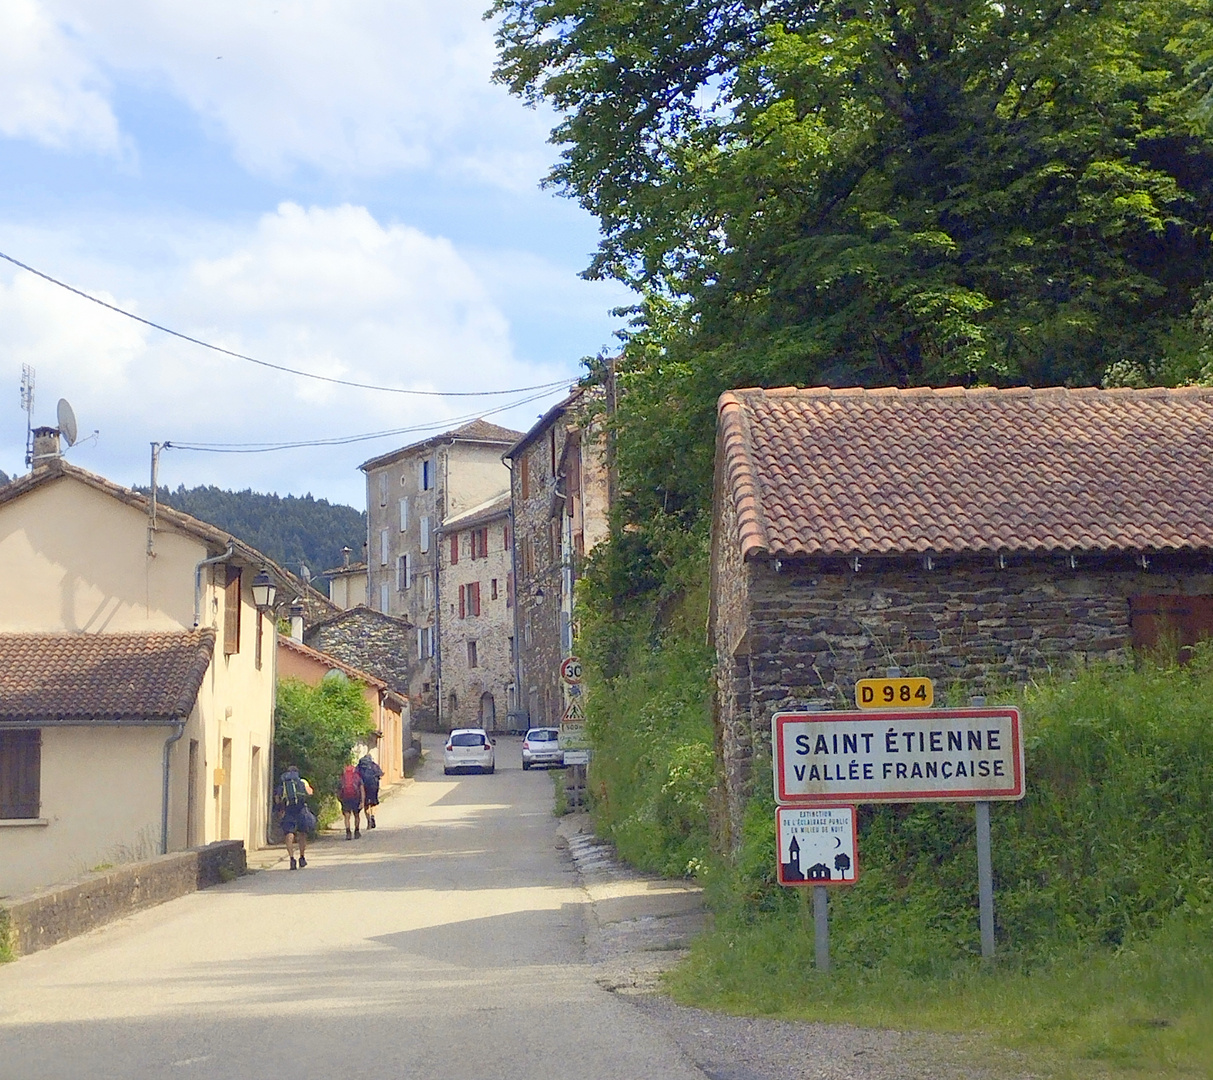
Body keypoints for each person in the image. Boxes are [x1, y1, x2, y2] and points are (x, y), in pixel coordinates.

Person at [275, 764, 314, 870]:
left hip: (288, 810)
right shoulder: (302, 781)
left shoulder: (283, 784)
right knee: (302, 833)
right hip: (301, 809)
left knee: (289, 833)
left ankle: (292, 858)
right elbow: (310, 793)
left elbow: (277, 799)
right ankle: (302, 857)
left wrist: (280, 809)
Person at [338, 761, 364, 839]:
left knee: (347, 816)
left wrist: (340, 799)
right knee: (356, 815)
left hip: (345, 798)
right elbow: (362, 789)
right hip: (356, 798)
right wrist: (362, 801)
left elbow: (338, 789)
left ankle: (348, 832)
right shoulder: (357, 776)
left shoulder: (342, 777)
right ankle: (356, 831)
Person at [357, 753, 384, 829]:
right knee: (374, 803)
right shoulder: (374, 765)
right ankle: (372, 815)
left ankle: (368, 820)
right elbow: (380, 774)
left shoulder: (360, 766)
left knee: (366, 805)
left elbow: (356, 775)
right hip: (373, 787)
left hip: (363, 787)